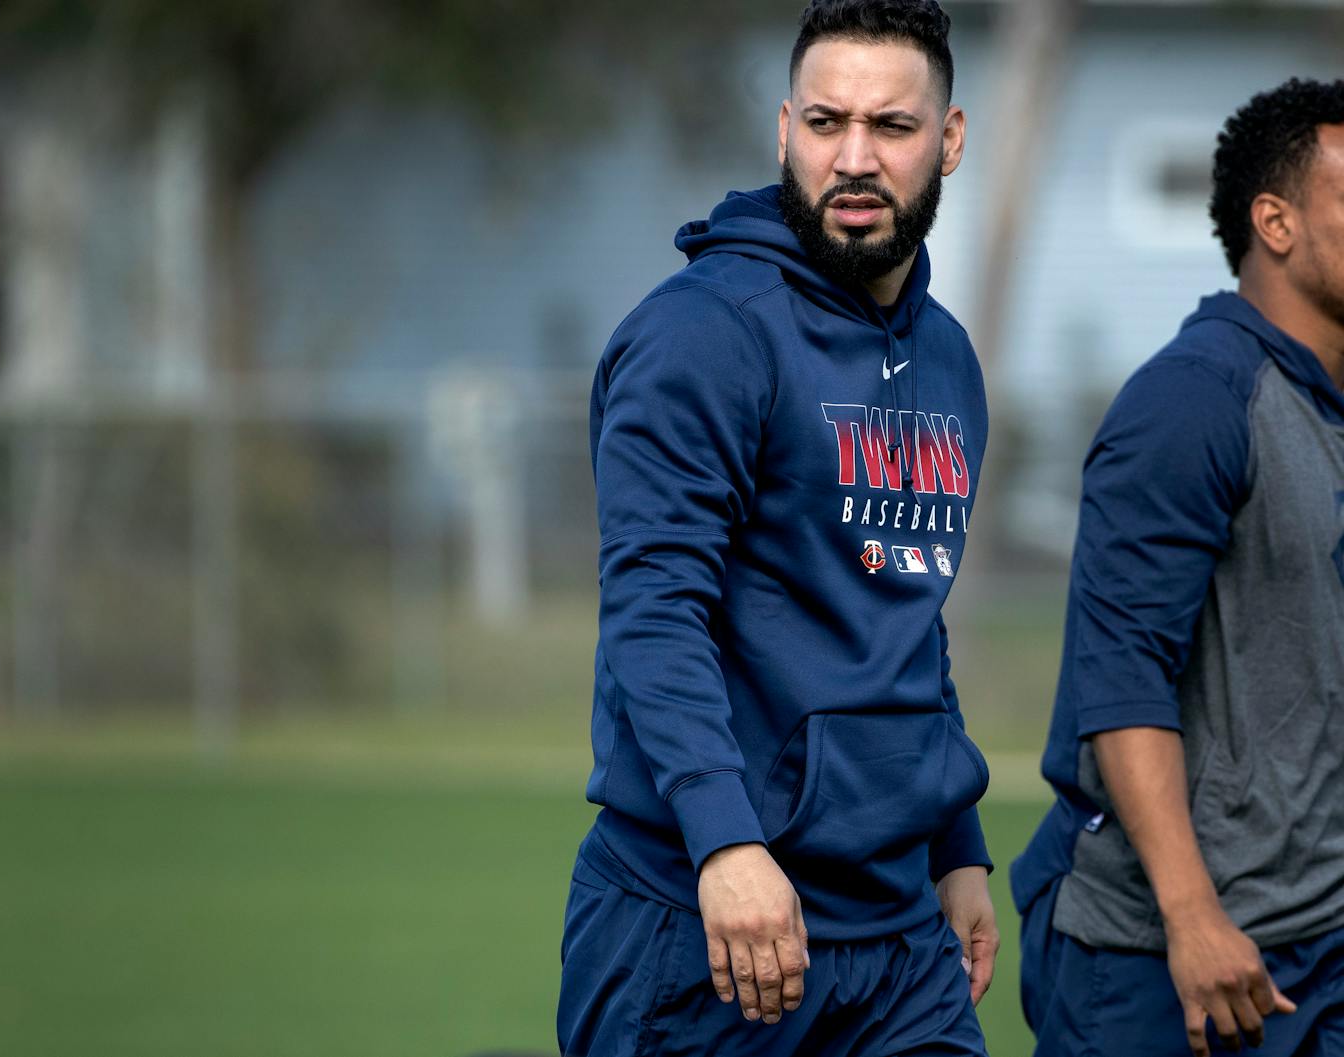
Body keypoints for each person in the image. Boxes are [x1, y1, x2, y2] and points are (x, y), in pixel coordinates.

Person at [557, 3, 999, 1055]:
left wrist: (956, 844)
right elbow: (654, 610)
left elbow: (901, 611)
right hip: (706, 924)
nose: (852, 158)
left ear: (946, 140)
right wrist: (723, 845)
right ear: (782, 130)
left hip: (896, 944)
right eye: (823, 122)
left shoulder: (945, 359)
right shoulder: (702, 333)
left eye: (890, 128)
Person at [1012, 78, 1344, 1057]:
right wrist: (1190, 917)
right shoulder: (1191, 401)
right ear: (1272, 224)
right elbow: (1118, 681)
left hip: (1316, 946)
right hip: (1166, 962)